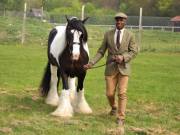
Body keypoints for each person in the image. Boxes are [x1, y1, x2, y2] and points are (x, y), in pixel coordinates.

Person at [84, 12, 138, 127]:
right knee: (109, 94)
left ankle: (121, 117)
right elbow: (101, 51)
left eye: (121, 20)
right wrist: (91, 63)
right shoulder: (108, 34)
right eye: (117, 20)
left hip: (124, 68)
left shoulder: (130, 35)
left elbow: (134, 51)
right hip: (110, 68)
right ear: (115, 21)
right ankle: (114, 107)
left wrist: (123, 57)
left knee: (122, 93)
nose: (119, 22)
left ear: (125, 21)